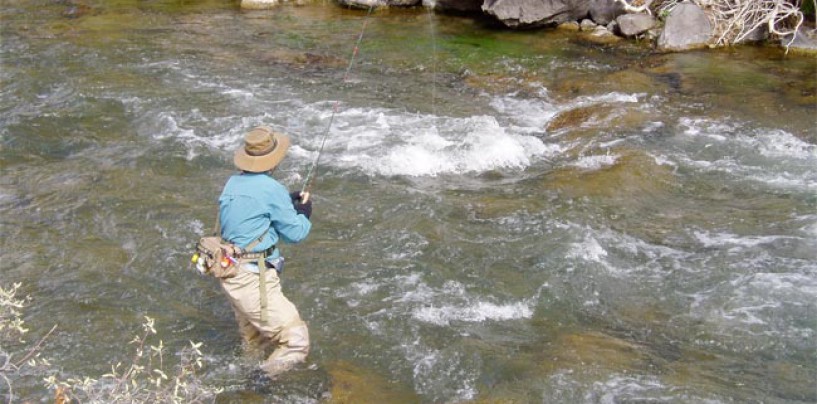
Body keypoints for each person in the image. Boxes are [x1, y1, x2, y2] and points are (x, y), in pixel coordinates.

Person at [218, 126, 313, 378]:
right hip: (253, 279)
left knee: (254, 340)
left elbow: (252, 216)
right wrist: (303, 212)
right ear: (273, 159)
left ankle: (244, 380)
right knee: (296, 341)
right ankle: (258, 383)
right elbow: (296, 233)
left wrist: (285, 200)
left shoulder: (232, 183)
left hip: (231, 272)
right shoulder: (272, 189)